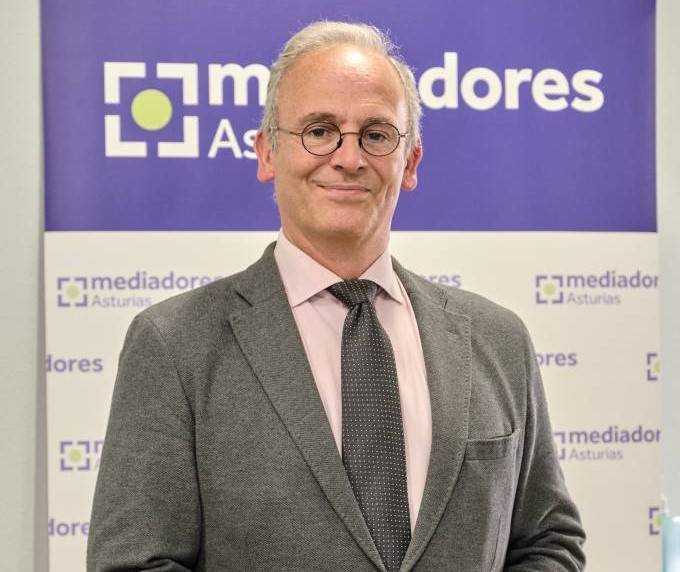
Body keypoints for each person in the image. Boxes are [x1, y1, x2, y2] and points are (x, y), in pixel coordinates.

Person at [88, 21, 586, 572]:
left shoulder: (498, 340)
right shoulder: (176, 344)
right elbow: (135, 563)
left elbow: (548, 541)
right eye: (320, 131)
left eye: (376, 134)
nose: (349, 158)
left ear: (410, 162)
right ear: (267, 154)